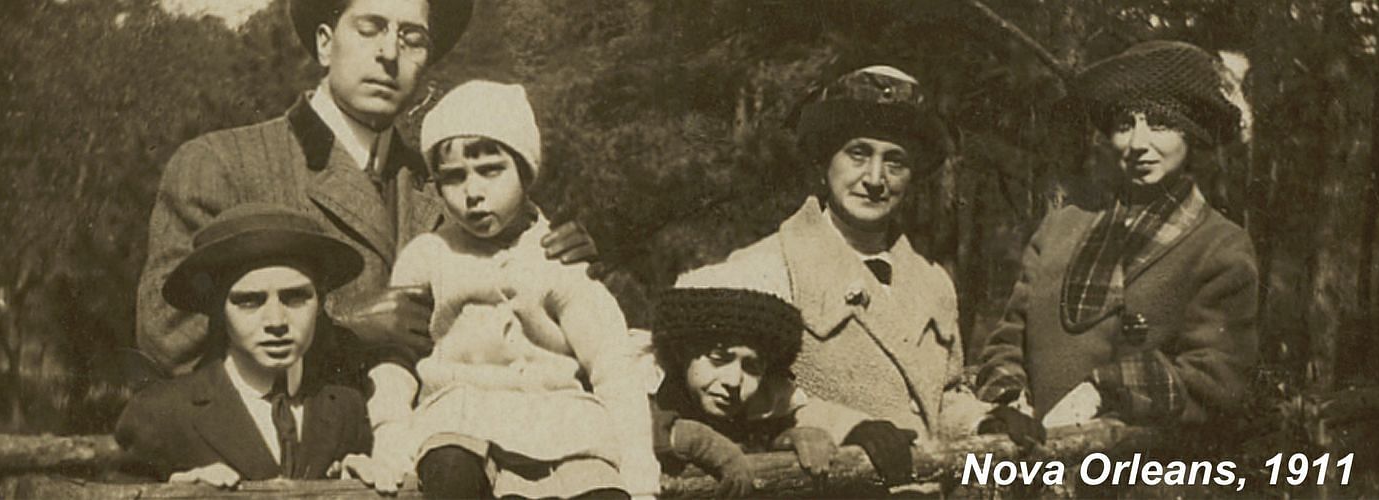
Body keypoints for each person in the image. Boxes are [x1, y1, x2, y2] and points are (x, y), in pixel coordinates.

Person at [135, 0, 598, 381]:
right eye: (370, 28)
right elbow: (170, 336)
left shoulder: (452, 185)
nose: (389, 54)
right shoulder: (221, 164)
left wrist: (564, 264)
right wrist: (339, 330)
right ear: (324, 44)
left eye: (412, 39)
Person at [675, 63, 992, 489]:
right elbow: (735, 398)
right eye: (858, 154)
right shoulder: (766, 268)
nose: (875, 179)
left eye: (895, 162)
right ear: (825, 160)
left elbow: (940, 399)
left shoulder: (934, 283)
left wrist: (984, 420)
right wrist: (845, 427)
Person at [368, 80, 658, 499]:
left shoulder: (557, 255)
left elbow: (611, 363)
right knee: (450, 470)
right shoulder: (429, 255)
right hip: (460, 416)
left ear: (525, 172)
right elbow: (396, 358)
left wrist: (637, 463)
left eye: (491, 170)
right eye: (453, 177)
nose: (473, 193)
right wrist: (390, 435)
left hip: (559, 421)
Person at [975, 40, 1259, 428]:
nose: (1139, 144)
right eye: (1126, 125)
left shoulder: (1220, 245)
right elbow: (1008, 340)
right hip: (1035, 468)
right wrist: (1009, 402)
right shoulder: (1060, 227)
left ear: (1191, 135)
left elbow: (1216, 378)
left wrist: (1105, 388)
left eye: (1160, 124)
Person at [115, 204, 396, 490]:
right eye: (249, 301)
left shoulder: (346, 409)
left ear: (321, 302)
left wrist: (357, 489)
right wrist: (172, 495)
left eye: (295, 297)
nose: (276, 321)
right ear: (219, 310)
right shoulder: (163, 413)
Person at [646, 286, 927, 497]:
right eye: (719, 358)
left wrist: (792, 437)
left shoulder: (758, 403)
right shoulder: (649, 388)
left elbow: (788, 420)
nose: (734, 380)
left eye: (752, 367)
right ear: (683, 353)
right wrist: (693, 439)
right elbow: (624, 421)